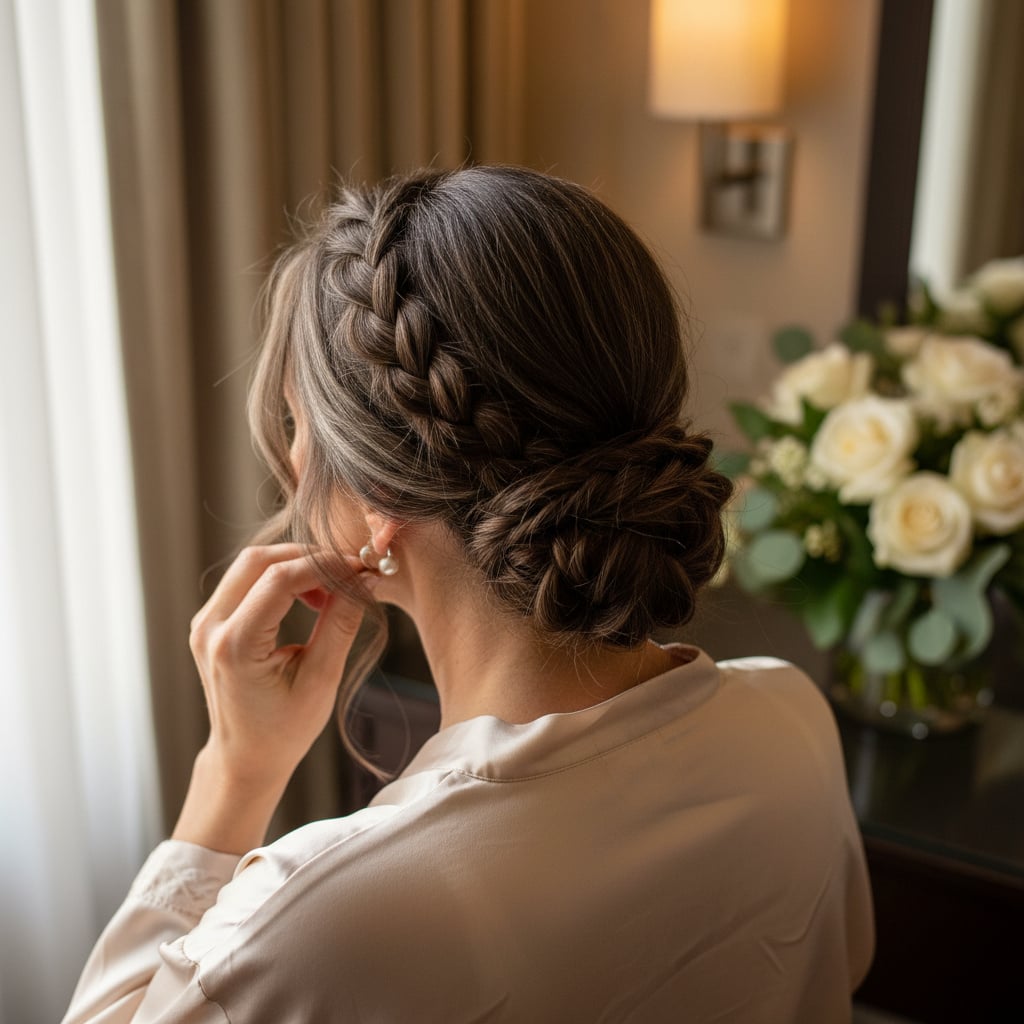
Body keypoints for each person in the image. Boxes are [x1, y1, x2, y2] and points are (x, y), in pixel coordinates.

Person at [63, 166, 873, 1023]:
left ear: (377, 509)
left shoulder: (319, 928)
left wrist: (232, 774)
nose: (292, 464)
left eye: (297, 425)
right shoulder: (794, 724)